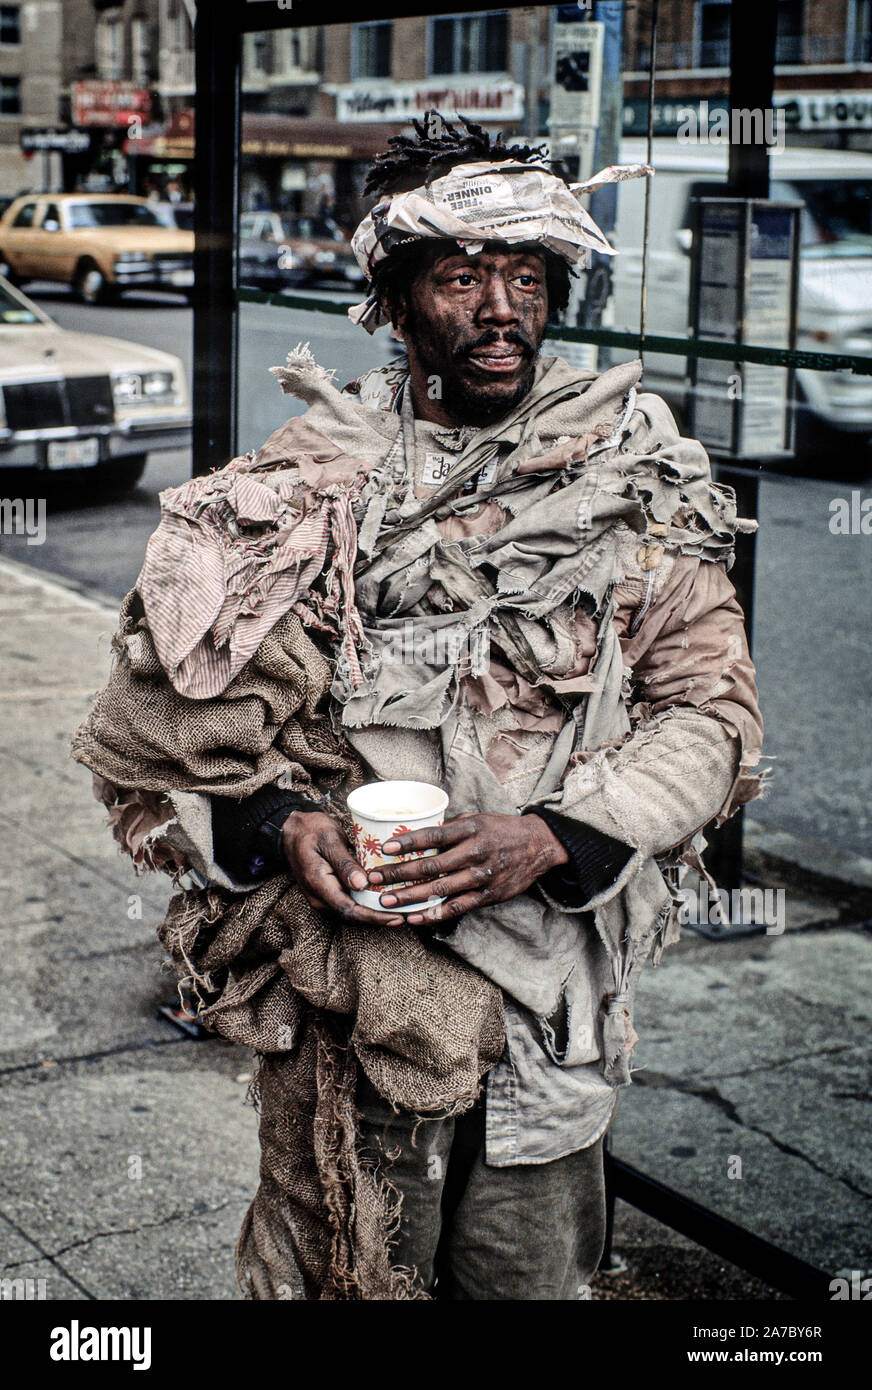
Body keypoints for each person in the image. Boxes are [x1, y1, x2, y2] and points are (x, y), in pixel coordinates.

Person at [73, 114, 765, 1301]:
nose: (501, 308)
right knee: (340, 1267)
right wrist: (289, 828)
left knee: (526, 1278)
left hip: (549, 998)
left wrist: (554, 834)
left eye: (526, 277)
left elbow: (710, 714)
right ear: (396, 307)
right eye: (460, 277)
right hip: (357, 1008)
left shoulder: (629, 473)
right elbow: (190, 727)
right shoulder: (311, 479)